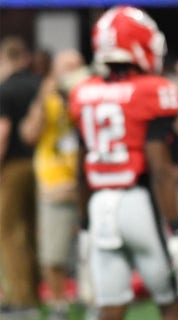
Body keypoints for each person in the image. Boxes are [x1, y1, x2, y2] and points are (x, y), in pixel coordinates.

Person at [68, 6, 178, 320]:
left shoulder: (83, 92)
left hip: (99, 205)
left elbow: (80, 169)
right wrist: (175, 228)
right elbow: (160, 168)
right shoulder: (153, 90)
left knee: (110, 304)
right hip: (140, 203)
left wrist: (82, 224)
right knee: (172, 298)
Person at [20, 49, 90, 319]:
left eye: (76, 66)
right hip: (54, 183)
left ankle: (93, 299)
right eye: (66, 66)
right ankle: (59, 304)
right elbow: (29, 134)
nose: (71, 72)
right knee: (54, 252)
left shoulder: (91, 96)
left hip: (87, 183)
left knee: (93, 248)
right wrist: (43, 96)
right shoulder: (46, 99)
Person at [0, 35, 41, 319]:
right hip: (41, 165)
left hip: (12, 165)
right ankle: (38, 291)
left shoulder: (5, 89)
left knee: (8, 231)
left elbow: (2, 132)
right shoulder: (39, 85)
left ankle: (19, 296)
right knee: (33, 230)